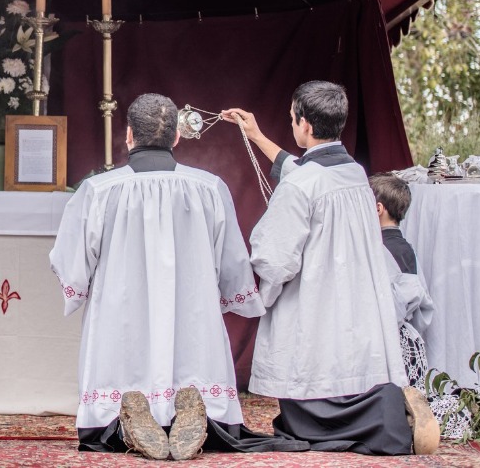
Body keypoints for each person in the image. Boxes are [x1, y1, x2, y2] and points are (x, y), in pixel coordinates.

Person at [51, 93, 300, 461]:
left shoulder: (99, 191)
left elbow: (72, 259)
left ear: (129, 135)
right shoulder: (209, 187)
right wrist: (234, 294)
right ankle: (194, 412)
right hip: (190, 307)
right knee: (192, 350)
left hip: (120, 310)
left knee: (122, 354)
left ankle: (125, 418)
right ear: (177, 138)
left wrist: (80, 288)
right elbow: (232, 259)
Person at [223, 82, 439, 455]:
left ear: (304, 125)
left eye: (292, 118)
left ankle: (328, 431)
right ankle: (392, 418)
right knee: (359, 368)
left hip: (317, 299)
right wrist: (256, 136)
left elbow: (276, 259)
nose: (291, 125)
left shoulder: (304, 185)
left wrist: (264, 288)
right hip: (357, 300)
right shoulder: (355, 173)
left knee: (312, 374)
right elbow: (303, 171)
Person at [370, 172, 469, 441]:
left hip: (391, 343)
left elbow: (392, 306)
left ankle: (420, 416)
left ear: (378, 209)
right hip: (411, 343)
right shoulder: (406, 248)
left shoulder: (378, 250)